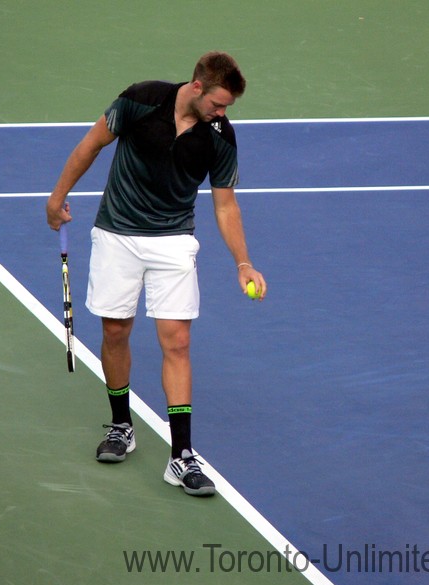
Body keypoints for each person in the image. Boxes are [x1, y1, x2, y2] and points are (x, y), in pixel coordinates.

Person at [46, 51, 266, 497]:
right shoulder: (141, 100)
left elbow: (225, 204)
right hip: (117, 235)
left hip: (173, 240)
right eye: (218, 104)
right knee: (115, 331)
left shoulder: (220, 136)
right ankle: (121, 426)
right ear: (198, 86)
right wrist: (58, 197)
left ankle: (181, 456)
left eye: (227, 109)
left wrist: (243, 260)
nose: (222, 114)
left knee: (178, 340)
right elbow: (91, 144)